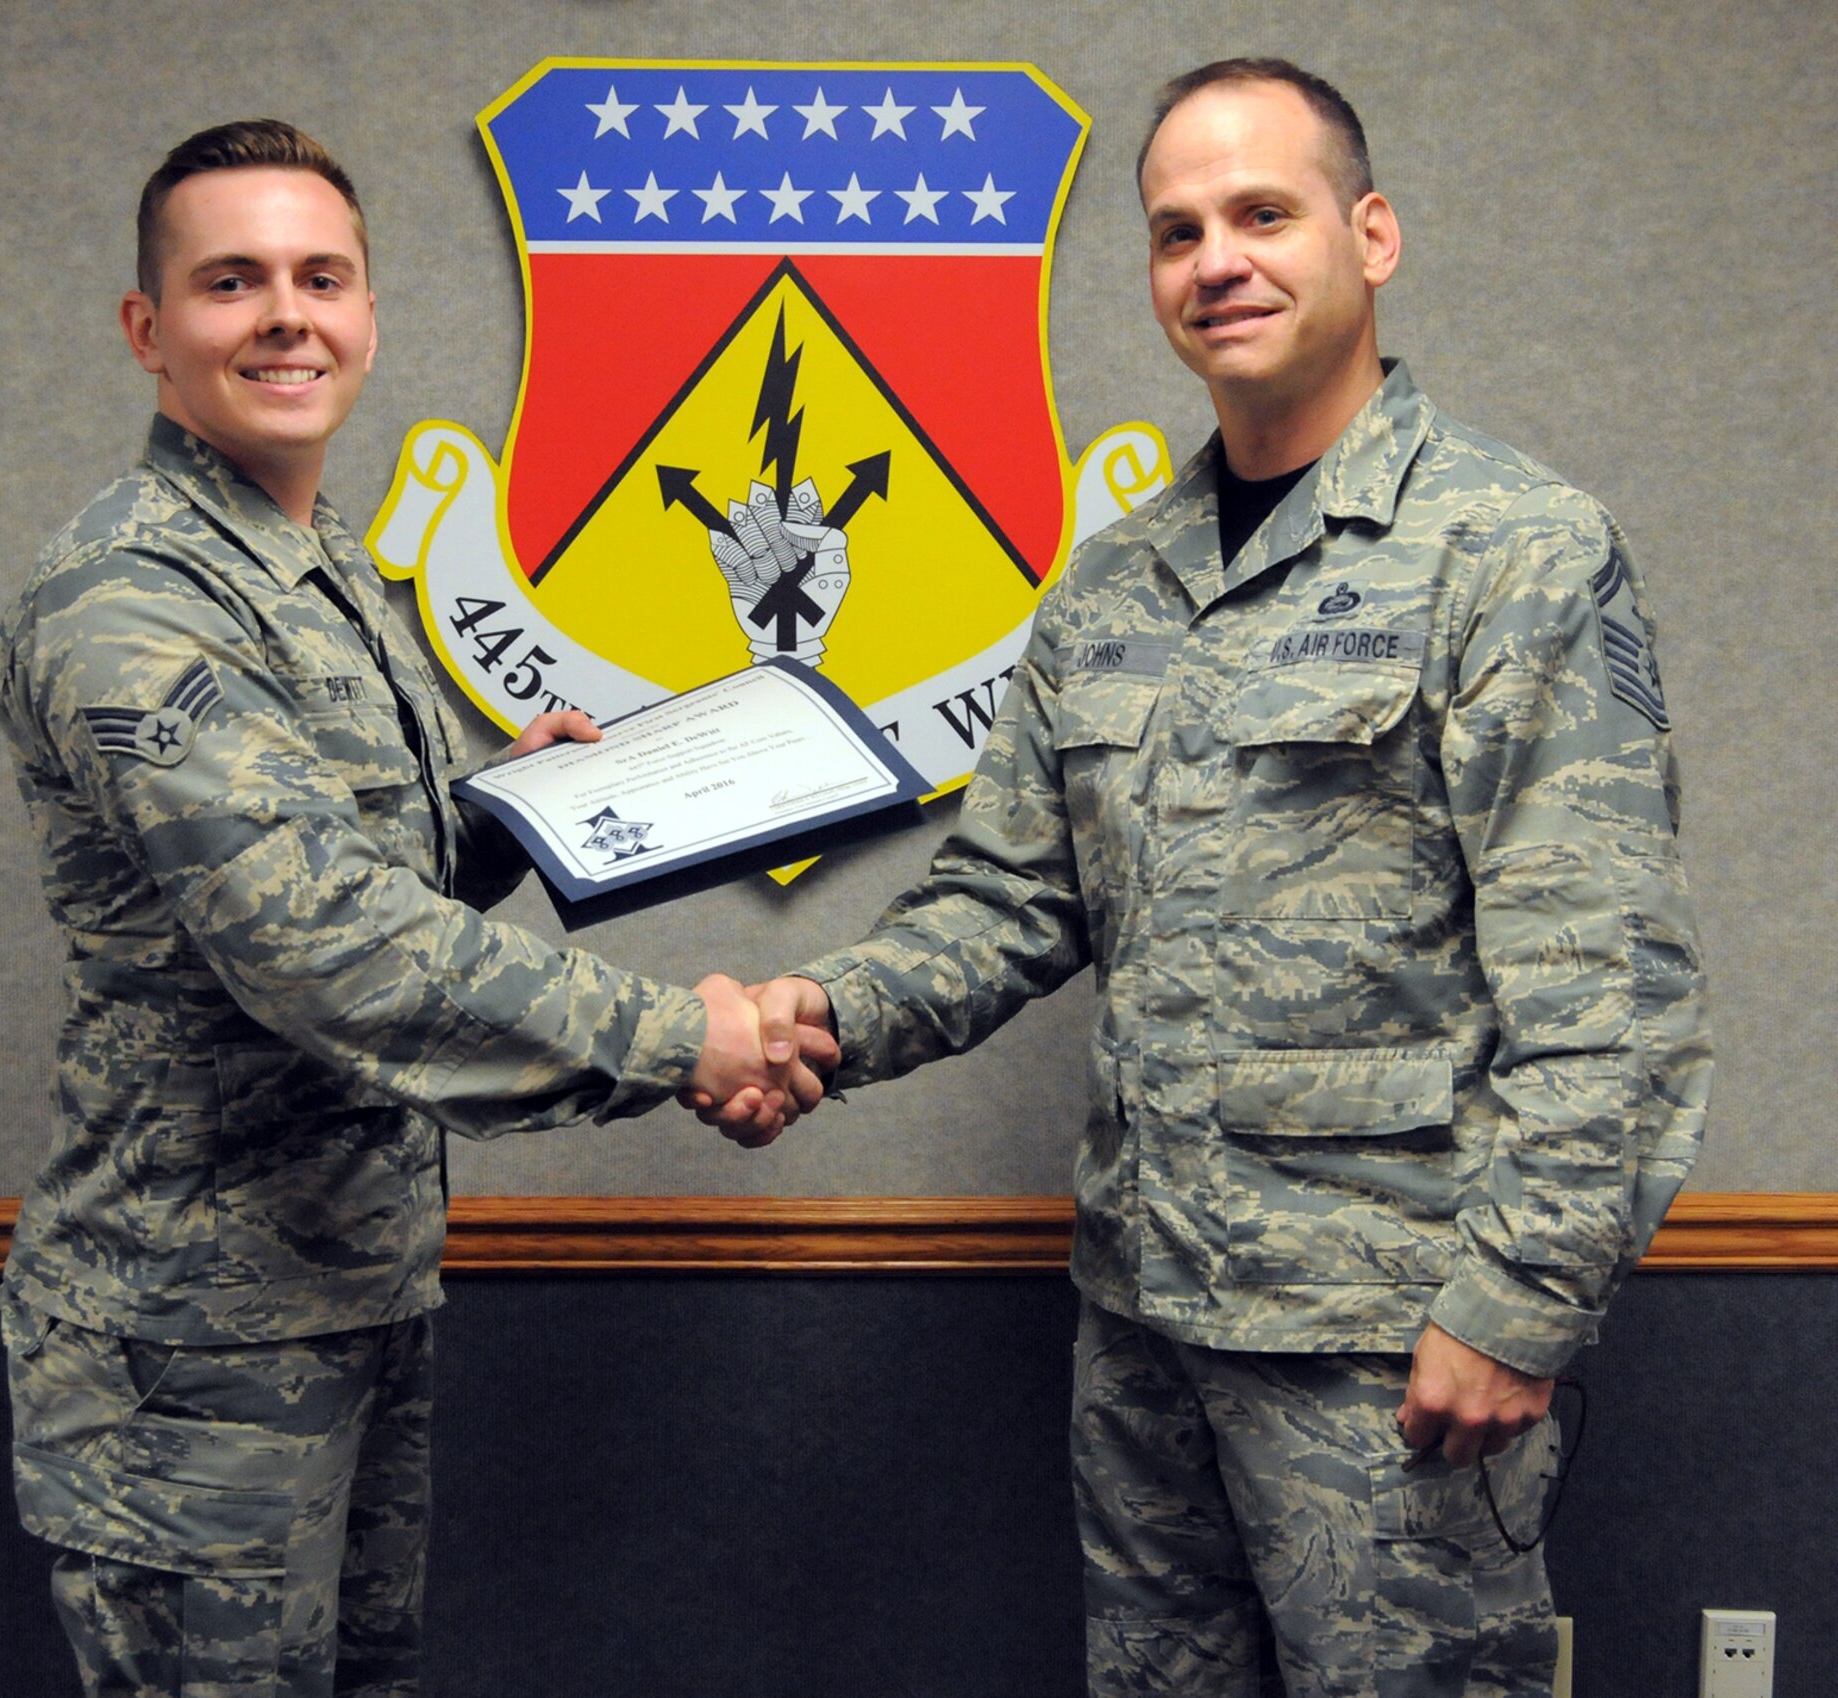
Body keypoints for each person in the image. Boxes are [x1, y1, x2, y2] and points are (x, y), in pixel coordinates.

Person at [694, 59, 1711, 1697]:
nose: (1215, 260)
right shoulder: (1114, 583)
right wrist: (823, 1006)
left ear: (1370, 236)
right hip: (1147, 1321)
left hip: (1386, 1343)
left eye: (1262, 213)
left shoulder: (1512, 549)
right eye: (1177, 232)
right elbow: (1010, 901)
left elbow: (1613, 980)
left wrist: (1521, 1295)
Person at [0, 119, 829, 1696]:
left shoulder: (313, 568)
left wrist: (504, 812)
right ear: (147, 329)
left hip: (350, 1287)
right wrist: (681, 1034)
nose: (285, 316)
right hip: (192, 1349)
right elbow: (321, 946)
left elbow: (358, 875)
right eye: (231, 281)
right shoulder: (131, 597)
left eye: (323, 276)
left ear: (371, 313)